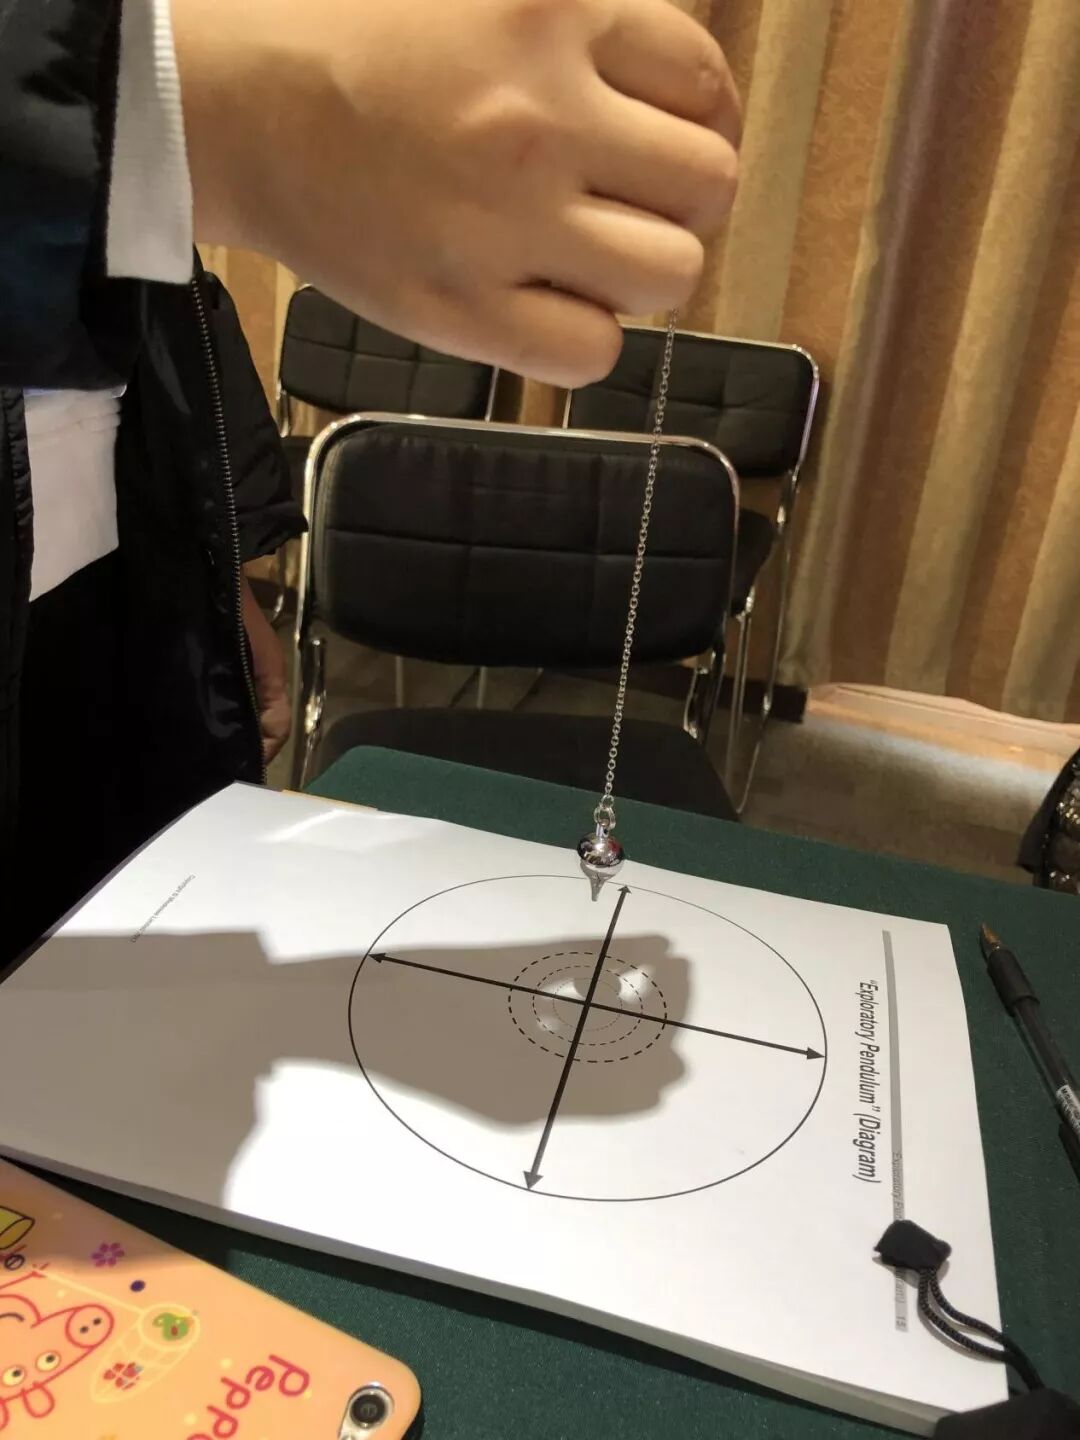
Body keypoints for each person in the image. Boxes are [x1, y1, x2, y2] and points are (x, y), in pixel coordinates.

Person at [0, 0, 741, 963]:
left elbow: (159, 318)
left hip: (125, 600)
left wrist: (215, 574)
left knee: (116, 975)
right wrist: (178, 97)